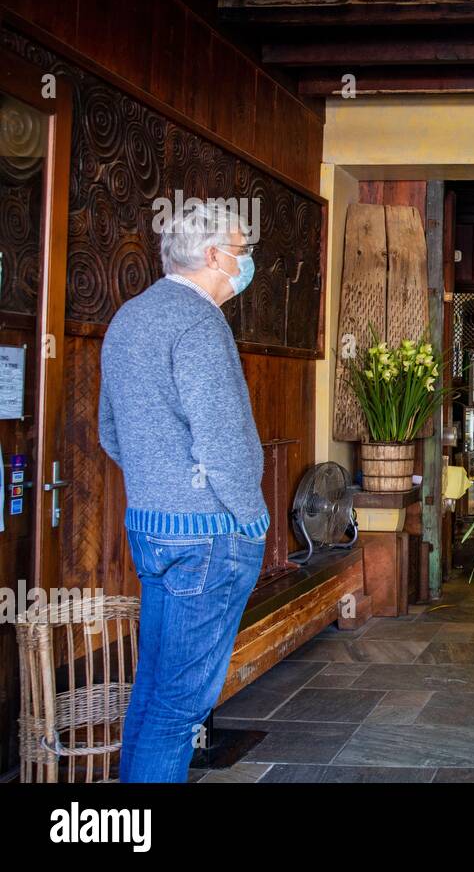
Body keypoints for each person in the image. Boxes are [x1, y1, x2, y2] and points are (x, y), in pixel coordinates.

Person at [99, 200, 268, 783]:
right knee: (179, 708)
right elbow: (222, 439)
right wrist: (250, 518)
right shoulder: (199, 322)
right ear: (216, 255)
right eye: (243, 251)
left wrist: (159, 480)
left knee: (151, 695)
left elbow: (111, 432)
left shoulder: (130, 317)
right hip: (208, 536)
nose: (246, 263)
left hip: (151, 526)